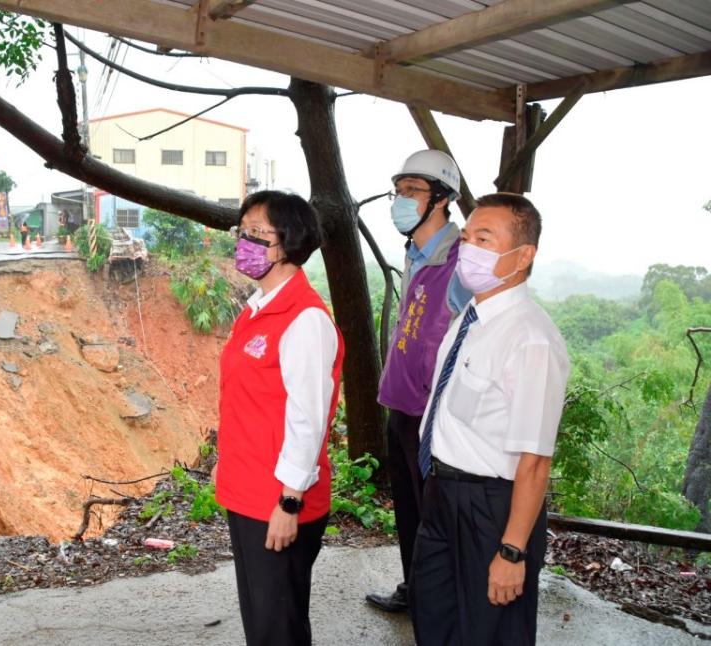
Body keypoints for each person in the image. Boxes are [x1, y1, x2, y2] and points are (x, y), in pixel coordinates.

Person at [408, 193, 570, 645]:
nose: (468, 248)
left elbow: (535, 461)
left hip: (492, 508)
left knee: (490, 634)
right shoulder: (471, 317)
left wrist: (512, 550)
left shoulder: (531, 338)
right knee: (435, 623)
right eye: (465, 237)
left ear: (524, 255)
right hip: (442, 494)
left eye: (484, 238)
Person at [215, 190, 345, 646]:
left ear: (287, 244)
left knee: (279, 628)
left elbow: (308, 421)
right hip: (247, 492)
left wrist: (290, 502)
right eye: (242, 231)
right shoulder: (256, 310)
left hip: (279, 501)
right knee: (263, 621)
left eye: (256, 233)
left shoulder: (305, 320)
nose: (243, 242)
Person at [366, 150, 472, 614]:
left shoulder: (462, 263)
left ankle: (441, 597)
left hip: (436, 413)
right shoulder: (415, 253)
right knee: (408, 505)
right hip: (402, 402)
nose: (401, 200)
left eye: (414, 190)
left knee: (436, 510)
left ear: (442, 199)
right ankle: (415, 586)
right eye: (399, 190)